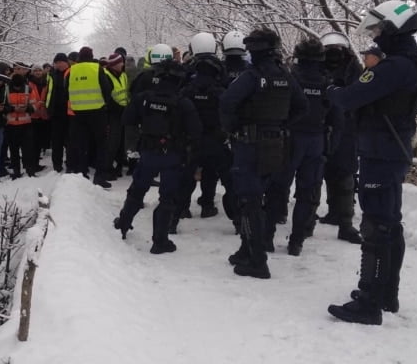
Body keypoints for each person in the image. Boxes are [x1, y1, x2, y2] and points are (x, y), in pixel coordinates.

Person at [327, 0, 417, 325]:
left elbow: (350, 97)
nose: (377, 34)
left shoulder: (395, 65)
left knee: (376, 226)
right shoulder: (409, 60)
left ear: (395, 28)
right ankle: (386, 293)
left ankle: (369, 301)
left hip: (381, 152)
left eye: (380, 28)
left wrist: (331, 88)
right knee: (389, 223)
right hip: (389, 149)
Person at [219, 28, 308, 278]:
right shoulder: (285, 75)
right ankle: (246, 250)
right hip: (276, 145)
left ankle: (257, 261)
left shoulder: (251, 76)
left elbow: (227, 102)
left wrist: (234, 128)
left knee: (249, 201)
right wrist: (281, 126)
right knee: (261, 197)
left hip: (249, 145)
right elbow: (302, 106)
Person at [113, 44, 203, 254]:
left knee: (137, 190)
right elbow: (196, 131)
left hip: (148, 151)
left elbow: (128, 120)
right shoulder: (183, 103)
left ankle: (123, 224)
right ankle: (160, 241)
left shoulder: (144, 98)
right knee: (167, 197)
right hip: (173, 154)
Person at [264, 37, 343, 256]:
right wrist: (330, 147)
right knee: (307, 193)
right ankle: (297, 240)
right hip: (316, 141)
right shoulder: (327, 83)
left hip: (290, 139)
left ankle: (267, 236)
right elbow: (337, 119)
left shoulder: (290, 79)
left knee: (277, 188)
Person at [178, 32, 233, 226]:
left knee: (188, 171)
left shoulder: (188, 71)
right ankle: (208, 205)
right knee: (211, 170)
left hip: (191, 134)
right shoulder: (221, 70)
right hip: (215, 132)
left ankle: (183, 207)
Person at [318, 31, 364, 244]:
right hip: (327, 126)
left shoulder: (354, 70)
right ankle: (335, 213)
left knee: (344, 174)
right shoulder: (321, 68)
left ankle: (346, 222)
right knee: (329, 171)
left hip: (346, 128)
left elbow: (357, 95)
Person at [65, 46, 113, 189]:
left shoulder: (72, 70)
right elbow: (107, 88)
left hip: (78, 113)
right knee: (101, 144)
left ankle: (81, 172)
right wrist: (105, 104)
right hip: (97, 112)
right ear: (92, 56)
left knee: (81, 144)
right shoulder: (97, 68)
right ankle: (99, 176)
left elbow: (65, 89)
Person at [5, 67, 39, 179]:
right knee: (13, 151)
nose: (17, 88)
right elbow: (2, 107)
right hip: (10, 125)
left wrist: (26, 108)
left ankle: (30, 170)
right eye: (15, 87)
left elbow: (35, 106)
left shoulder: (28, 89)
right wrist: (12, 109)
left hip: (26, 125)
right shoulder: (6, 90)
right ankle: (16, 171)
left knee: (28, 150)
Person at [102, 53, 129, 179]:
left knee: (120, 142)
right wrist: (120, 108)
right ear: (113, 65)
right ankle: (106, 169)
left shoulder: (123, 75)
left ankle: (117, 166)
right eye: (120, 63)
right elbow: (107, 97)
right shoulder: (106, 76)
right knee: (112, 142)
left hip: (122, 112)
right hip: (112, 113)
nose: (122, 64)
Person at [46, 53, 71, 172]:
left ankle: (70, 163)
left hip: (69, 112)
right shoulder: (51, 75)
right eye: (57, 63)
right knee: (56, 141)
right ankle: (57, 164)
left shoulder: (72, 73)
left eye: (61, 62)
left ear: (66, 62)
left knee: (70, 140)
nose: (59, 64)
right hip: (55, 112)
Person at [29, 64, 51, 172]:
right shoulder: (29, 84)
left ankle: (36, 164)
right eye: (35, 71)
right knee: (33, 143)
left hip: (43, 115)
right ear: (32, 72)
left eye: (39, 70)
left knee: (39, 142)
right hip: (33, 116)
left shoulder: (46, 83)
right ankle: (32, 165)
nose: (38, 72)